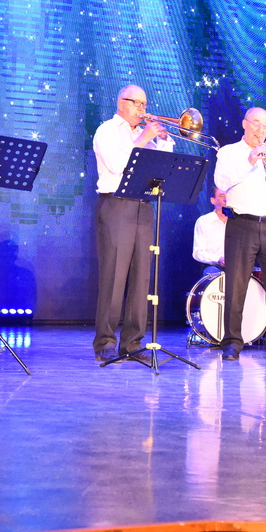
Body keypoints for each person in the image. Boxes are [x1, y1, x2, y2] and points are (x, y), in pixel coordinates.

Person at [91, 85, 174, 363]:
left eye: (144, 104)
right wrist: (143, 138)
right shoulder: (107, 130)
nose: (141, 109)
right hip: (116, 204)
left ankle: (132, 342)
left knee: (141, 279)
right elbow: (116, 165)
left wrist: (163, 140)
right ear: (121, 103)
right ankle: (105, 341)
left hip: (143, 206)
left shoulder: (144, 135)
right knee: (114, 276)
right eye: (136, 103)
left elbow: (164, 167)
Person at [213, 107, 266, 361]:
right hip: (241, 224)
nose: (261, 129)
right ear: (244, 124)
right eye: (257, 123)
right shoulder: (228, 152)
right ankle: (232, 342)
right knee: (236, 286)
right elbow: (221, 182)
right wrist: (249, 162)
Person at [192, 186, 228, 275]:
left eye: (228, 195)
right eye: (222, 196)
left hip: (235, 267)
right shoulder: (204, 221)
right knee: (213, 273)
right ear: (213, 200)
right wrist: (218, 259)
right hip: (213, 267)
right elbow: (198, 253)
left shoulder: (237, 222)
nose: (226, 199)